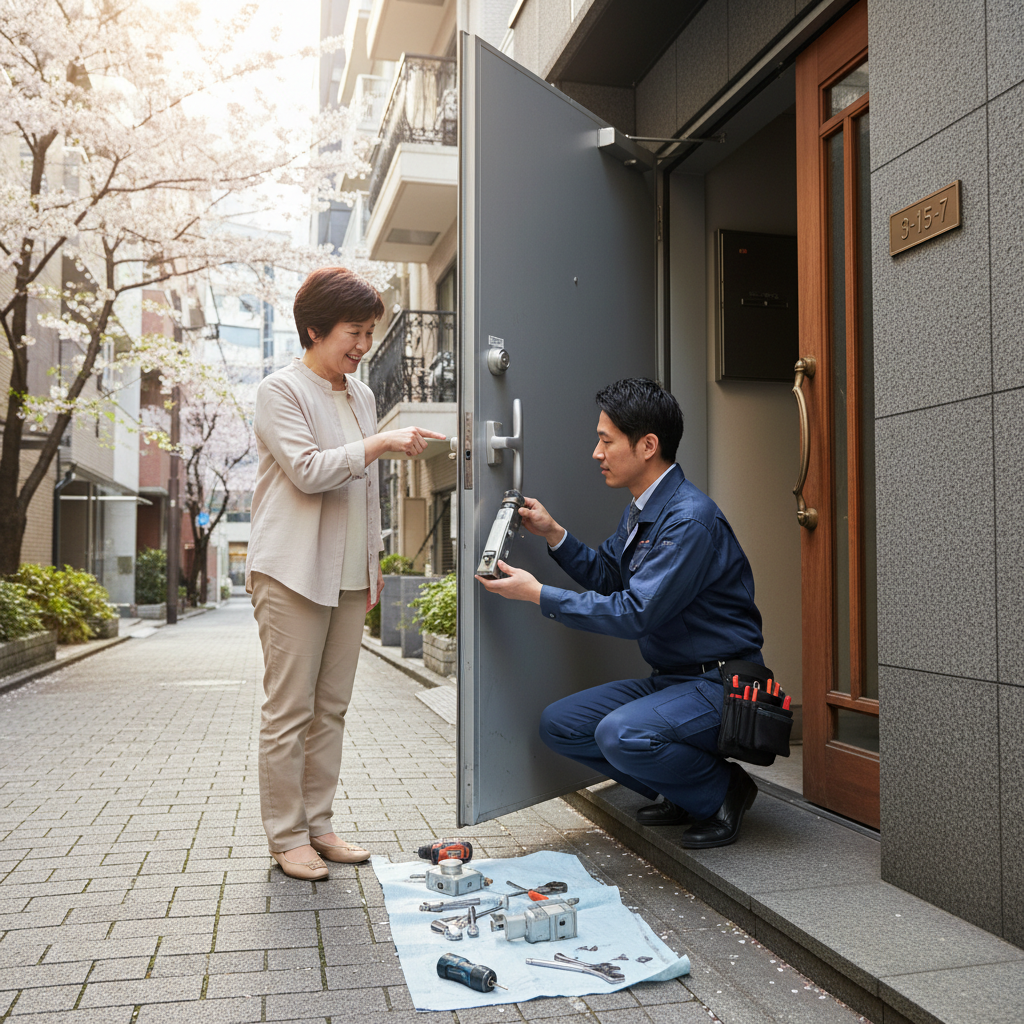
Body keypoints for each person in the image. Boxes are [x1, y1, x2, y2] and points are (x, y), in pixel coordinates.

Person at [475, 378, 764, 849]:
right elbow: (611, 574)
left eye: (606, 440)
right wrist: (554, 535)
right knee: (561, 724)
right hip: (674, 679)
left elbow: (635, 612)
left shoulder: (688, 519)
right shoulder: (644, 509)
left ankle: (722, 791)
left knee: (620, 732)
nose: (596, 452)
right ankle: (682, 790)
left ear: (648, 445)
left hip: (720, 685)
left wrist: (539, 595)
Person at [246, 267, 445, 880]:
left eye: (368, 333)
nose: (362, 346)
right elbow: (309, 470)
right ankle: (287, 838)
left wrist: (371, 567)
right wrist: (381, 445)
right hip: (292, 571)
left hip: (347, 574)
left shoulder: (360, 395)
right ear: (315, 329)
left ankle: (320, 824)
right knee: (290, 711)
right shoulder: (280, 391)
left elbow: (365, 496)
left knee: (330, 708)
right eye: (353, 334)